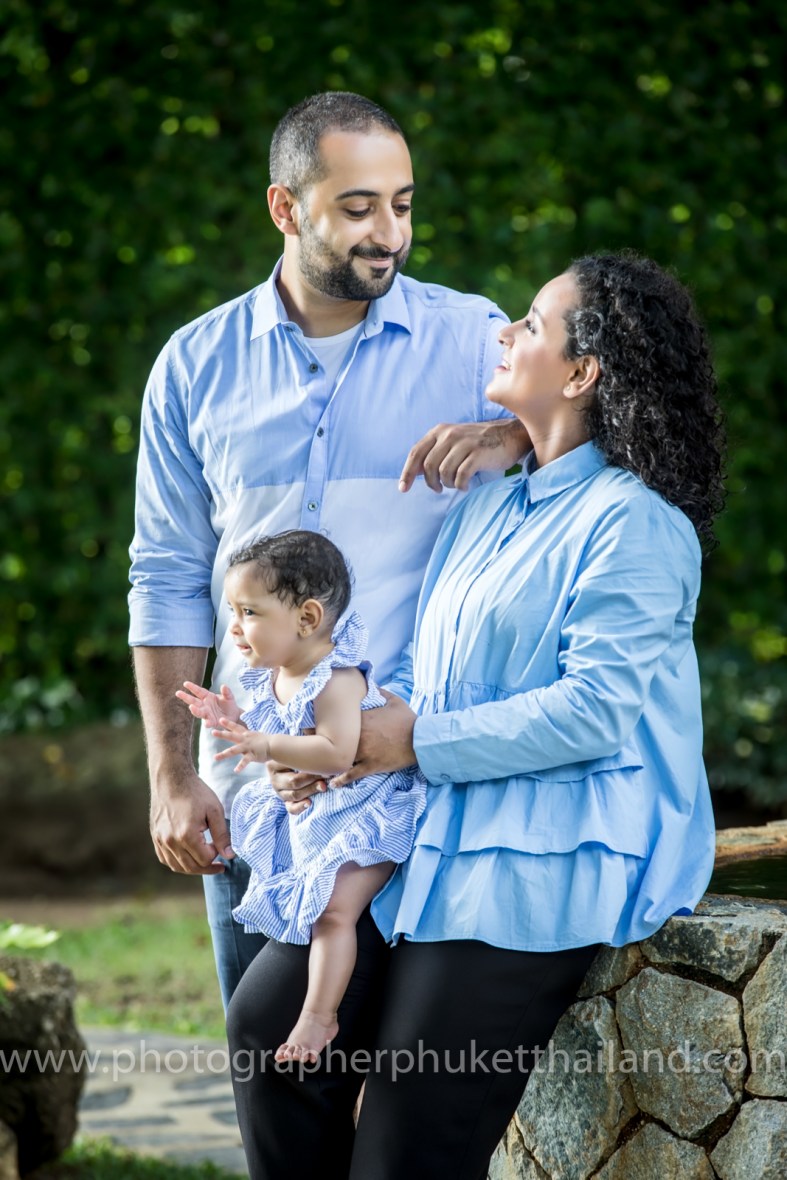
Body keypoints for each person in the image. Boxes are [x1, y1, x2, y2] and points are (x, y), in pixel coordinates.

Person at [225, 252, 725, 1179]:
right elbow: (424, 665)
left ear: (581, 375)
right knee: (266, 1031)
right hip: (437, 827)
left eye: (531, 324)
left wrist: (405, 741)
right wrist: (347, 747)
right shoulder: (489, 505)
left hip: (552, 848)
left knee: (405, 1147)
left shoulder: (637, 525)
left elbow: (594, 712)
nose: (504, 331)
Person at [128, 91, 528, 1010]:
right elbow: (167, 576)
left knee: (406, 1099)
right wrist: (173, 773)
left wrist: (515, 438)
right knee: (275, 1084)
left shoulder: (474, 340)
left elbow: (596, 436)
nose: (388, 232)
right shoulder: (193, 365)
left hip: (413, 792)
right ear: (285, 207)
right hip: (251, 794)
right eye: (357, 208)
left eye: (403, 204)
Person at [176, 530, 426, 1062]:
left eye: (249, 612)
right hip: (321, 817)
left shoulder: (336, 679)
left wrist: (263, 743)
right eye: (233, 611)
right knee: (309, 906)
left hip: (367, 815)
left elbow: (337, 752)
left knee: (332, 913)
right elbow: (282, 733)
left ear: (308, 619)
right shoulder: (277, 676)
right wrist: (232, 721)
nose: (236, 628)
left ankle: (319, 1016)